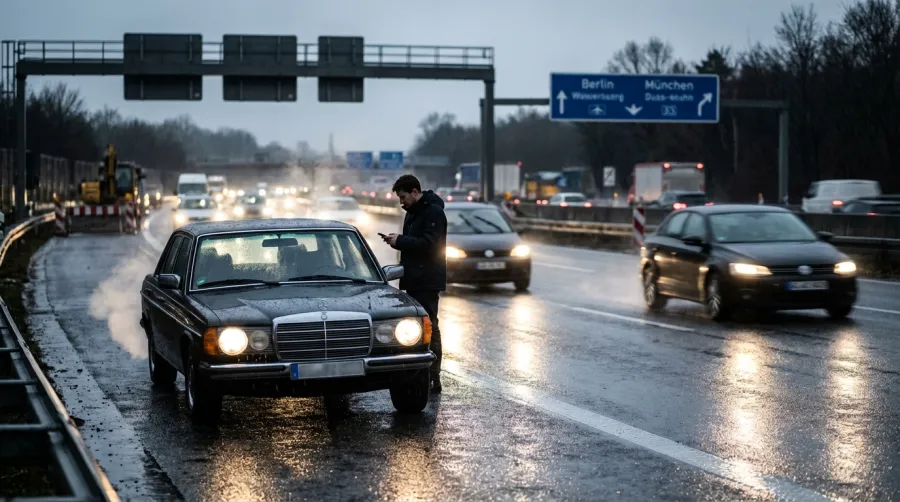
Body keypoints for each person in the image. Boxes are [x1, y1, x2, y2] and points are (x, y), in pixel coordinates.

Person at [382, 175, 447, 393]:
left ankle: (433, 376)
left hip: (427, 279)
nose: (401, 202)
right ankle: (419, 374)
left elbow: (430, 244)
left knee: (430, 326)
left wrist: (400, 241)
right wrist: (398, 241)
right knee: (416, 328)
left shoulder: (433, 212)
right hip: (414, 278)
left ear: (415, 192)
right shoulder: (413, 213)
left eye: (403, 197)